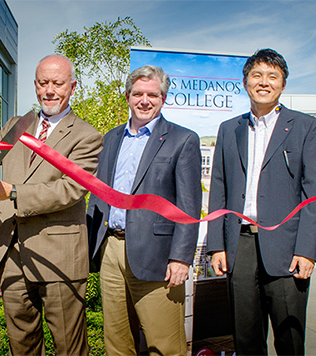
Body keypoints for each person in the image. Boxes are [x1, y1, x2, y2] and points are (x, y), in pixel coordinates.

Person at [0, 54, 103, 355]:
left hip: (59, 259)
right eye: (42, 83)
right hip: (11, 255)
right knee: (22, 346)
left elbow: (71, 189)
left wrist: (14, 192)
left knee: (70, 349)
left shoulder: (87, 136)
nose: (49, 90)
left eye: (57, 83)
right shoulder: (19, 124)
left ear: (73, 86)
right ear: (35, 84)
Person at [206, 48, 316, 355]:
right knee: (246, 338)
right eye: (257, 75)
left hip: (287, 249)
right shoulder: (229, 129)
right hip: (240, 245)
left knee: (289, 339)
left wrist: (307, 250)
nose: (264, 82)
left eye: (272, 76)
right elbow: (218, 188)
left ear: (283, 85)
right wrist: (216, 245)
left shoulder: (306, 127)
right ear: (245, 81)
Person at [87, 65, 201, 355]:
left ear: (163, 98)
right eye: (138, 93)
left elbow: (189, 205)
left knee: (164, 346)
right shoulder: (111, 139)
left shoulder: (182, 139)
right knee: (117, 343)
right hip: (111, 250)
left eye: (153, 94)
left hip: (158, 257)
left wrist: (181, 257)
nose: (145, 100)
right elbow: (98, 195)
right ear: (127, 96)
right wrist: (93, 247)